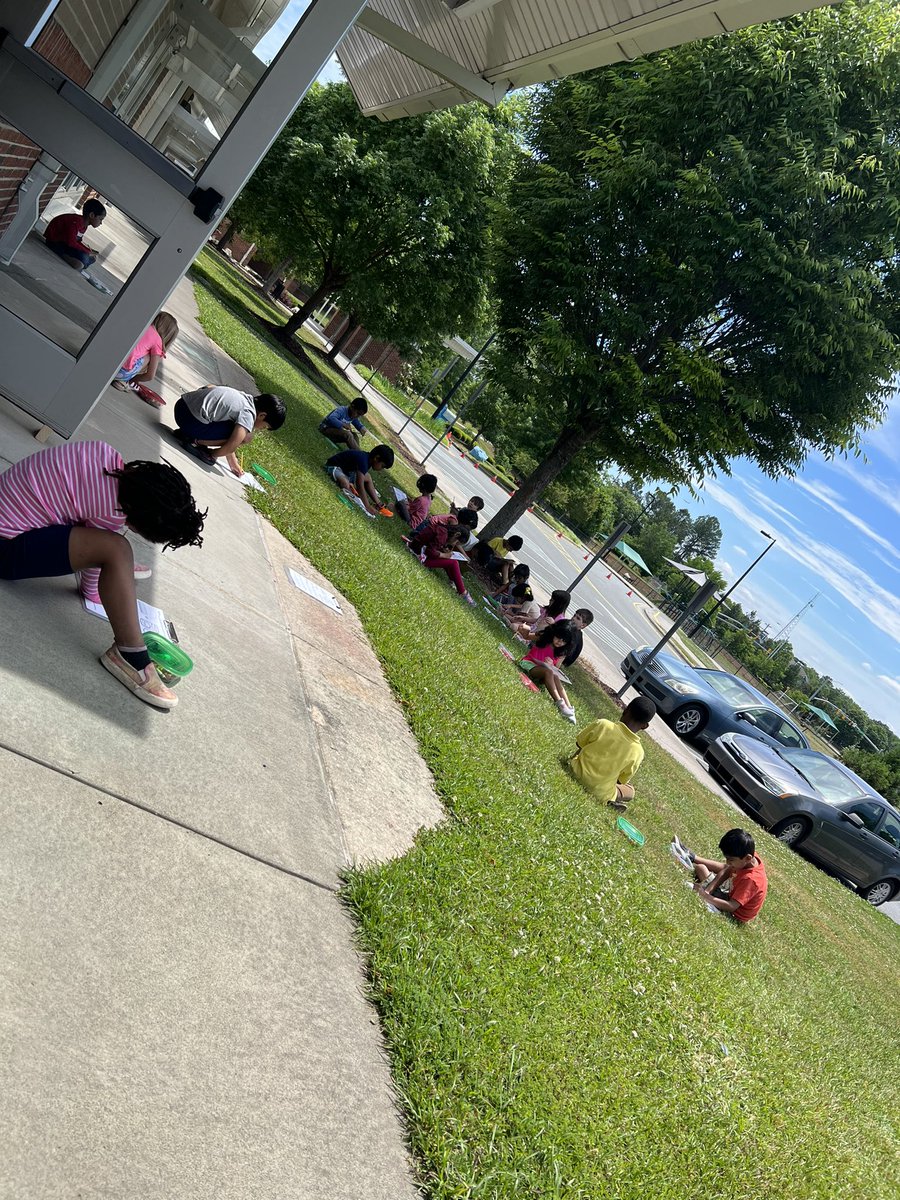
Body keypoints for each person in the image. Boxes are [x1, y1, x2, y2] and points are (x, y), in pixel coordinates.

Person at [0, 441, 206, 710]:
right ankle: (130, 655)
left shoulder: (105, 453)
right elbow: (92, 578)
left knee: (113, 549)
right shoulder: (110, 510)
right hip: (5, 548)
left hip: (11, 520)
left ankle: (121, 573)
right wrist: (107, 584)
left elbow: (72, 503)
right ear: (135, 521)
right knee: (117, 549)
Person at [174, 386, 286, 476]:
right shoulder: (249, 414)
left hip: (181, 407)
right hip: (190, 422)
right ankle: (195, 441)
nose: (260, 429)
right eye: (264, 427)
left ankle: (189, 434)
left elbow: (209, 386)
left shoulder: (243, 397)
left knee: (236, 430)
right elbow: (233, 444)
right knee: (247, 437)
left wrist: (233, 462)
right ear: (262, 415)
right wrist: (211, 454)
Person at [568, 696, 655, 810]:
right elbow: (621, 780)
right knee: (630, 791)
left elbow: (580, 745)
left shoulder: (603, 724)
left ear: (626, 710)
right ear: (645, 726)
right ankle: (611, 800)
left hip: (574, 771)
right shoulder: (638, 752)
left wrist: (570, 763)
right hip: (599, 793)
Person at [674, 828, 768, 923]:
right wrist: (707, 891)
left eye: (730, 859)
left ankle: (688, 857)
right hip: (730, 894)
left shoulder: (751, 880)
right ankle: (691, 857)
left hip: (734, 913)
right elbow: (727, 870)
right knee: (701, 868)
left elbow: (731, 906)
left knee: (701, 869)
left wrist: (705, 896)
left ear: (748, 858)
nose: (727, 862)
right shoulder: (748, 856)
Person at [112, 312, 179, 404]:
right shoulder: (157, 341)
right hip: (120, 372)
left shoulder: (142, 325)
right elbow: (150, 376)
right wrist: (133, 379)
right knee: (150, 356)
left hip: (108, 358)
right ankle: (122, 381)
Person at [522, 620, 577, 722]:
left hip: (544, 673)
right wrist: (525, 629)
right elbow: (527, 636)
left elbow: (556, 668)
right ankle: (560, 704)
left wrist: (551, 665)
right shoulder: (544, 637)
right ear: (554, 633)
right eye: (558, 638)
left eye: (563, 641)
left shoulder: (562, 651)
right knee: (549, 673)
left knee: (555, 676)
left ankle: (569, 707)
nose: (559, 642)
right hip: (529, 664)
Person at [410, 519, 475, 604]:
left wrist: (442, 551)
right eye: (457, 542)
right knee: (453, 562)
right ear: (457, 534)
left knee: (449, 561)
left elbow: (432, 544)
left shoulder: (443, 531)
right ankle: (463, 592)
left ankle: (453, 580)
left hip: (419, 550)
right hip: (420, 555)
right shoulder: (443, 534)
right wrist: (444, 555)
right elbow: (429, 551)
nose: (454, 544)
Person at [325, 444, 395, 515]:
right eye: (382, 466)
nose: (381, 469)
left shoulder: (368, 460)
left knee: (368, 477)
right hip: (335, 467)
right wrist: (367, 506)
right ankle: (352, 494)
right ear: (376, 458)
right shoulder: (363, 461)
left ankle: (378, 503)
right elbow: (359, 485)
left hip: (347, 472)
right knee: (345, 483)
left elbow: (360, 480)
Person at [44, 198, 106, 273]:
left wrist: (88, 250)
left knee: (93, 258)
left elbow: (78, 241)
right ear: (92, 215)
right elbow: (71, 242)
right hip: (54, 242)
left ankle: (81, 261)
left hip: (65, 244)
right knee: (82, 261)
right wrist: (87, 252)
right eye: (100, 219)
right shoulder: (76, 222)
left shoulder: (84, 225)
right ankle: (65, 256)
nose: (101, 223)